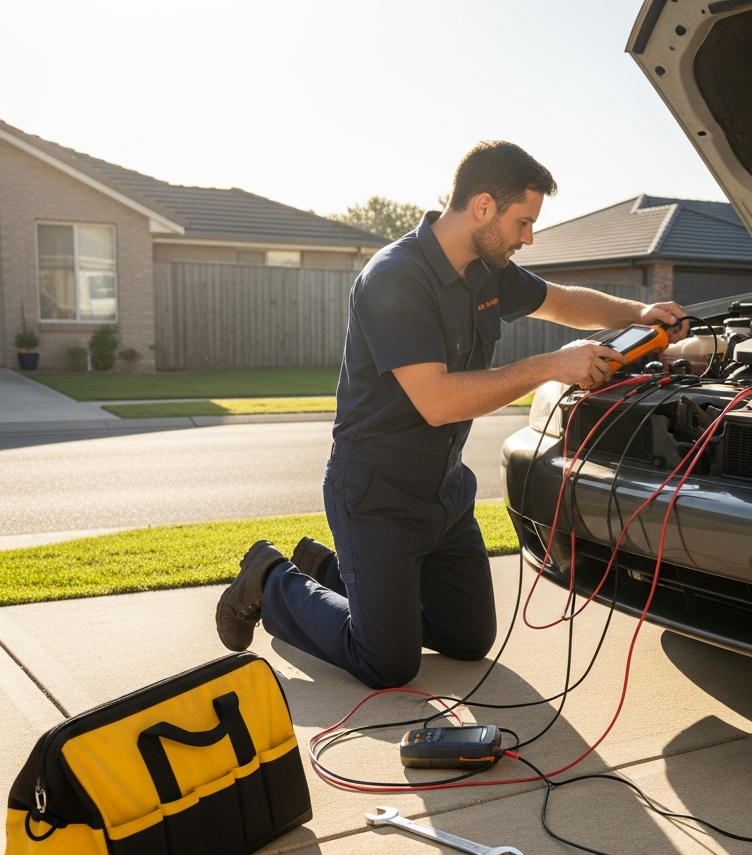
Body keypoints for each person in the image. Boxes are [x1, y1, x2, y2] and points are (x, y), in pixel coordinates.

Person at [216, 141, 687, 688]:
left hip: (443, 491)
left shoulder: (486, 271)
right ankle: (271, 578)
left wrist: (640, 313)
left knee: (467, 637)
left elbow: (560, 302)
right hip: (376, 493)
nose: (528, 238)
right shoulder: (396, 277)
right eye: (524, 222)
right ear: (483, 207)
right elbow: (437, 401)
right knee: (387, 663)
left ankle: (327, 571)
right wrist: (552, 366)